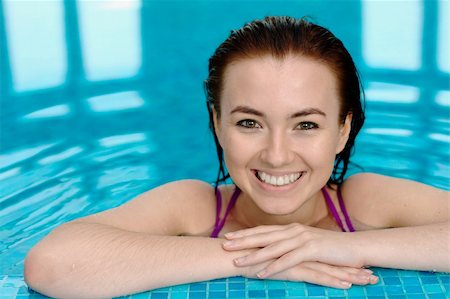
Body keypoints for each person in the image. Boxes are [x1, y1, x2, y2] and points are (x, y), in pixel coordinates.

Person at [24, 16, 449, 299]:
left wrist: (340, 246)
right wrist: (265, 257)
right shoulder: (193, 208)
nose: (277, 155)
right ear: (217, 122)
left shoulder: (362, 202)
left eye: (306, 125)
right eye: (249, 123)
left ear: (342, 130)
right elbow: (51, 264)